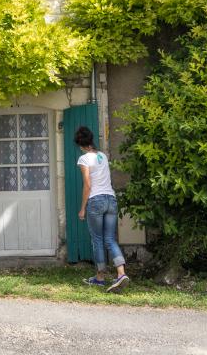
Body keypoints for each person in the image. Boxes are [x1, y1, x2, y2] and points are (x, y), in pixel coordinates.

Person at [75, 125, 129, 293]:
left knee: (98, 240)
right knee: (110, 239)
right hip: (111, 199)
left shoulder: (84, 159)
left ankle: (100, 277)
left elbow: (88, 184)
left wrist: (82, 208)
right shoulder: (103, 156)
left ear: (80, 144)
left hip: (96, 201)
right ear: (91, 140)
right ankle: (121, 274)